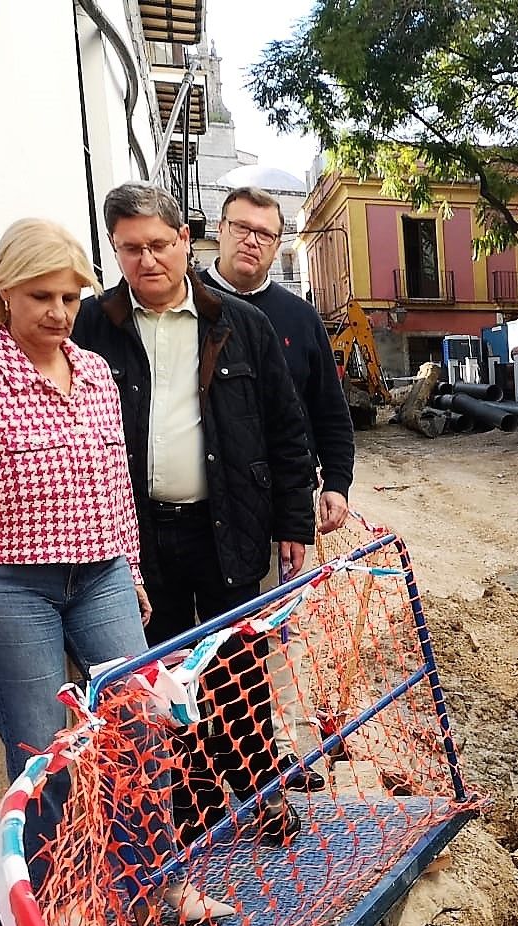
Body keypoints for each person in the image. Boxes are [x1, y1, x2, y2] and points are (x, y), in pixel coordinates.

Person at [0, 218, 230, 922]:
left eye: (69, 296)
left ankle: (160, 884)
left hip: (100, 576)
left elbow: (113, 482)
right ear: (4, 296)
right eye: (41, 297)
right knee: (40, 750)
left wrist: (133, 571)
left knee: (144, 726)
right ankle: (63, 904)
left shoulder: (91, 371)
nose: (59, 313)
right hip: (12, 586)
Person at [71, 183, 317, 845]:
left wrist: (294, 522)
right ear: (114, 251)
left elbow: (287, 432)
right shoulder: (92, 327)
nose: (147, 260)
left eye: (158, 244)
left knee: (238, 668)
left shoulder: (241, 324)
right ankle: (194, 801)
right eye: (130, 249)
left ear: (185, 241)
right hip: (141, 540)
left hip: (229, 525)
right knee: (162, 678)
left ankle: (263, 794)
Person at [204, 185, 357, 792]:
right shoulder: (184, 305)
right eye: (241, 228)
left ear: (278, 245)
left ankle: (261, 763)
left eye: (265, 234)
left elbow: (326, 410)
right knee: (195, 653)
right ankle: (207, 775)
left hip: (273, 512)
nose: (251, 241)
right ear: (218, 230)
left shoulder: (296, 318)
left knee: (262, 645)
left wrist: (334, 484)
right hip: (192, 514)